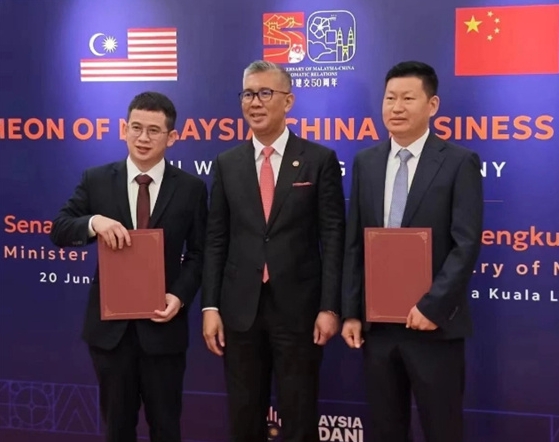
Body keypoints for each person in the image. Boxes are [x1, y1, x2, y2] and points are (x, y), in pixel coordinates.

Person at [49, 91, 208, 442]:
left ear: (172, 137)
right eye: (136, 128)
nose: (143, 138)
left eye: (153, 130)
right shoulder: (96, 179)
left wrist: (180, 296)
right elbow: (59, 229)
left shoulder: (191, 189)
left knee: (166, 428)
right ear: (123, 130)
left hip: (164, 330)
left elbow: (201, 253)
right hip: (111, 334)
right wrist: (93, 222)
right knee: (117, 429)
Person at [201, 60, 345, 442]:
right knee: (244, 416)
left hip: (299, 309)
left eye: (266, 93)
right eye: (248, 94)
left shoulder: (318, 160)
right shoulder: (227, 164)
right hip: (239, 310)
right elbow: (216, 239)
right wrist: (210, 307)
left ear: (288, 101)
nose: (255, 102)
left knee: (299, 416)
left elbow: (333, 239)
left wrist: (330, 307)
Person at [341, 61, 484, 442]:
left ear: (432, 105)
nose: (397, 107)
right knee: (385, 428)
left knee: (442, 428)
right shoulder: (366, 162)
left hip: (435, 327)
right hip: (379, 329)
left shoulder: (459, 162)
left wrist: (432, 306)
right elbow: (355, 242)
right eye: (390, 98)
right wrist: (352, 311)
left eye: (408, 98)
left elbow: (466, 244)